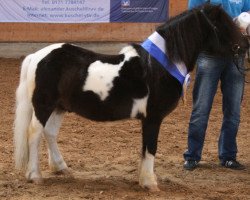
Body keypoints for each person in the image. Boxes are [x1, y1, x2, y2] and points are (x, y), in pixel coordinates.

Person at [183, 0, 250, 170]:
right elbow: (193, 18)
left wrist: (244, 24)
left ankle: (228, 156)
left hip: (236, 54)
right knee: (201, 109)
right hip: (209, 54)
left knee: (233, 111)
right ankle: (192, 155)